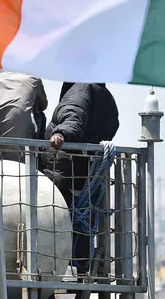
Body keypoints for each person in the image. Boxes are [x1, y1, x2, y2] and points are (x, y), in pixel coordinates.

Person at [42, 82, 119, 276]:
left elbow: (73, 116)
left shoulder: (80, 89)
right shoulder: (101, 93)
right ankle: (81, 266)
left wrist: (61, 133)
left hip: (64, 173)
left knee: (61, 222)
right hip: (81, 174)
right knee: (79, 222)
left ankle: (68, 266)